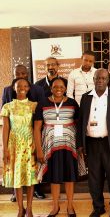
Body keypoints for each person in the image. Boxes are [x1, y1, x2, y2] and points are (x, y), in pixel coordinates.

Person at [76, 69, 110, 217]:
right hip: (91, 145)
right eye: (97, 78)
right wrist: (80, 144)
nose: (100, 80)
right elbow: (81, 123)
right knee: (94, 178)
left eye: (103, 78)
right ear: (93, 79)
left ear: (108, 81)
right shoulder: (85, 98)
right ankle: (98, 207)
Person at [33, 78, 79, 217]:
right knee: (54, 177)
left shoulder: (72, 103)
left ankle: (70, 206)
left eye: (61, 86)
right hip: (50, 146)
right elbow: (37, 128)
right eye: (55, 87)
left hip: (69, 145)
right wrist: (39, 150)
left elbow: (79, 124)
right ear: (51, 88)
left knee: (70, 176)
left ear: (65, 88)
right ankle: (55, 207)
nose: (58, 89)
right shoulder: (43, 103)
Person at [2, 64, 46, 202]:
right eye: (17, 74)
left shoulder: (37, 91)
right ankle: (17, 195)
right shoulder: (7, 91)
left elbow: (39, 119)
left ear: (27, 74)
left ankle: (36, 191)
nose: (20, 76)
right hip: (14, 140)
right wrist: (4, 147)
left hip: (30, 137)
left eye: (23, 73)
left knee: (31, 169)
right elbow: (6, 123)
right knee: (16, 168)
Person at [2, 78, 38, 217]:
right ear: (13, 88)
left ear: (28, 88)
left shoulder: (34, 106)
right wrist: (4, 149)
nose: (22, 88)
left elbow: (37, 127)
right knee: (17, 177)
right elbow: (5, 129)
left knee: (30, 177)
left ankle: (29, 208)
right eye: (19, 86)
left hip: (29, 144)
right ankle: (20, 208)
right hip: (14, 145)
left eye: (25, 86)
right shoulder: (7, 107)